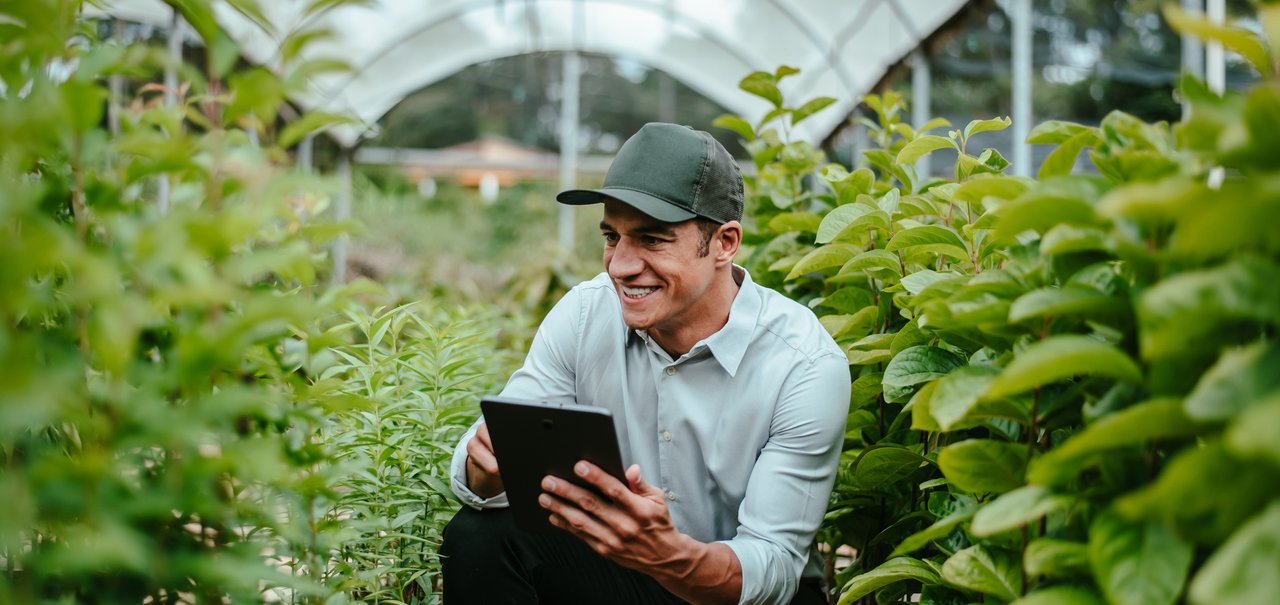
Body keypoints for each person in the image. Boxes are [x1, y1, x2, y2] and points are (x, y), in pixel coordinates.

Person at [441, 122, 851, 605]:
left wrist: (669, 552)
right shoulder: (583, 314)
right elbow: (489, 479)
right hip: (620, 576)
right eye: (612, 237)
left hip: (737, 593)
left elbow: (774, 564)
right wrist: (486, 467)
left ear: (725, 242)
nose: (619, 266)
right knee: (479, 535)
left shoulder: (803, 364)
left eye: (652, 240)